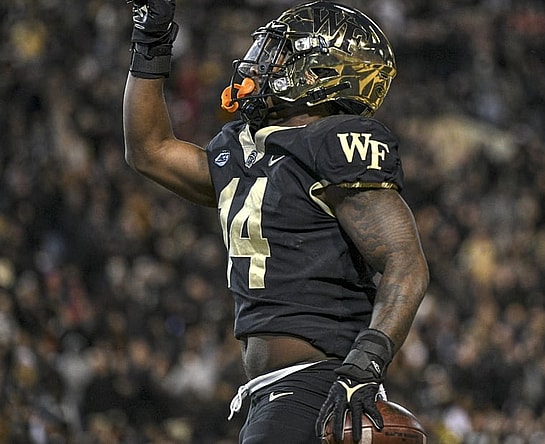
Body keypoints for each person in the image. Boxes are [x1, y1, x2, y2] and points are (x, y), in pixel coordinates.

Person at [122, 1, 429, 442]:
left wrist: (367, 361)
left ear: (322, 72)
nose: (261, 61)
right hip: (277, 392)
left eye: (281, 53)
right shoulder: (243, 149)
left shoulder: (335, 142)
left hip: (320, 384)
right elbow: (148, 149)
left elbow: (406, 262)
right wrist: (150, 38)